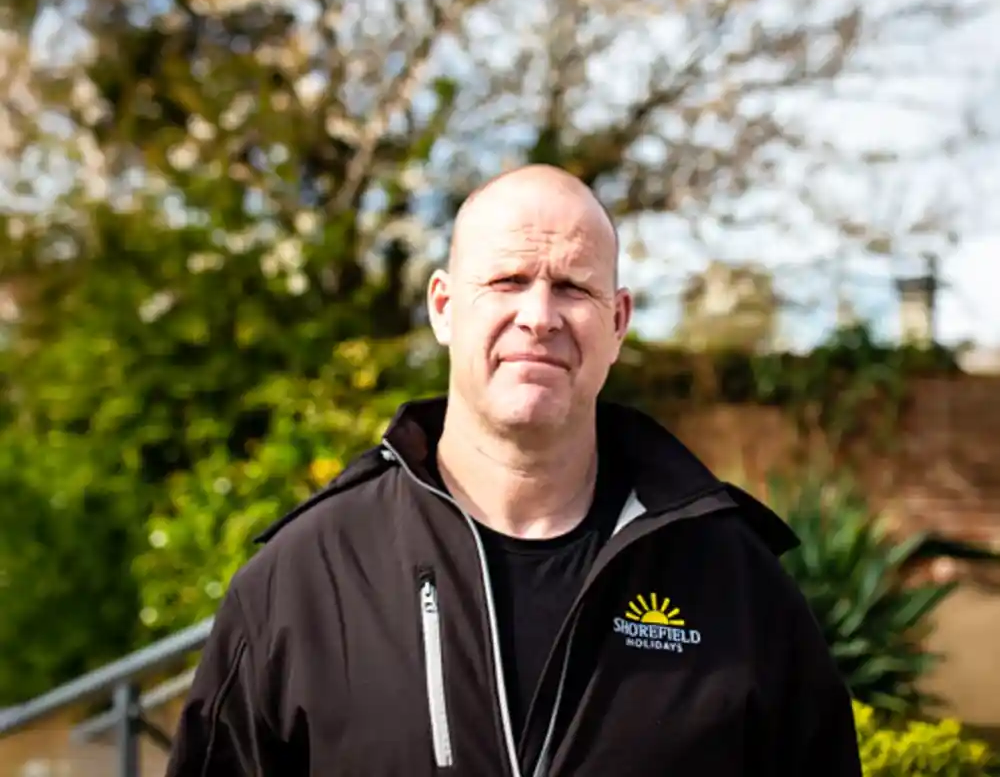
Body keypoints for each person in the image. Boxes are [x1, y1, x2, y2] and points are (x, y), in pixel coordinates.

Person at [165, 164, 862, 776]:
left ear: (618, 322)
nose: (539, 316)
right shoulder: (303, 580)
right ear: (444, 308)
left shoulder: (734, 582)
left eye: (573, 287)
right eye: (508, 281)